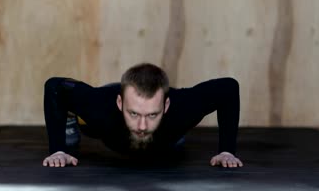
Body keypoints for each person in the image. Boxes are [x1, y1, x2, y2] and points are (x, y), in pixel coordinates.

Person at [42, 63, 243, 168]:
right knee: (88, 123)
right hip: (101, 123)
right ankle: (70, 118)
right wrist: (58, 150)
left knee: (174, 135)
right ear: (120, 104)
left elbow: (228, 88)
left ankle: (168, 131)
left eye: (152, 114)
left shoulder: (182, 107)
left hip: (168, 133)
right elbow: (55, 86)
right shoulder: (100, 106)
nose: (142, 125)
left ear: (166, 105)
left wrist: (227, 151)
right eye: (134, 114)